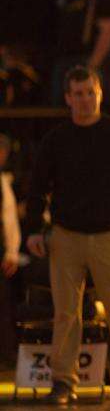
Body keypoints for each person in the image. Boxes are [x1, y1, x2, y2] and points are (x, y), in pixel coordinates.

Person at [26, 66, 110, 405]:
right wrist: (33, 230)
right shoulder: (56, 139)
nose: (85, 100)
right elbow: (37, 187)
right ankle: (63, 382)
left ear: (100, 94)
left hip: (107, 235)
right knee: (66, 312)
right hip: (66, 234)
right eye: (78, 94)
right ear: (68, 98)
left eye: (90, 92)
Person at [0, 134, 20, 367]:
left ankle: (5, 353)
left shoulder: (3, 182)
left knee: (3, 305)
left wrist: (11, 252)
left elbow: (9, 218)